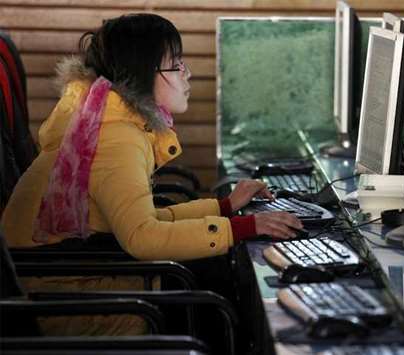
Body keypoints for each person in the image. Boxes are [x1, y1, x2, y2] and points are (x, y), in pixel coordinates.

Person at [0, 13, 303, 346]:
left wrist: (225, 207)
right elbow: (143, 237)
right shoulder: (115, 138)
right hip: (66, 298)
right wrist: (245, 227)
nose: (187, 73)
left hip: (74, 272)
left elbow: (140, 221)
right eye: (176, 64)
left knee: (221, 271)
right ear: (144, 73)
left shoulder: (103, 120)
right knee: (223, 287)